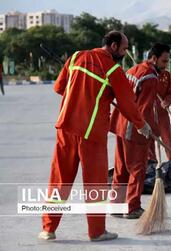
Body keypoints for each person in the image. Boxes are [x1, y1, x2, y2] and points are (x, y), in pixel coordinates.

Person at [39, 31, 152, 242]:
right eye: (125, 48)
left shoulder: (75, 57)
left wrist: (82, 91)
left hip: (66, 128)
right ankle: (97, 232)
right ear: (114, 46)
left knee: (59, 181)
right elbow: (128, 104)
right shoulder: (113, 71)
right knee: (95, 185)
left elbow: (59, 88)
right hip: (91, 135)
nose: (125, 53)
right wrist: (141, 125)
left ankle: (48, 229)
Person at [110, 43, 170, 219]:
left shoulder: (134, 70)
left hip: (120, 124)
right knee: (138, 169)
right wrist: (153, 132)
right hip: (134, 129)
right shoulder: (150, 77)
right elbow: (144, 109)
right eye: (164, 61)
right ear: (153, 58)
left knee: (121, 169)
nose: (166, 65)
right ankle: (132, 208)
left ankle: (116, 206)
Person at [148, 67, 171, 164]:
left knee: (168, 142)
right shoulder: (146, 74)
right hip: (148, 115)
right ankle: (153, 168)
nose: (165, 65)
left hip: (162, 115)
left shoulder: (166, 75)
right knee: (149, 144)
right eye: (163, 61)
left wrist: (167, 101)